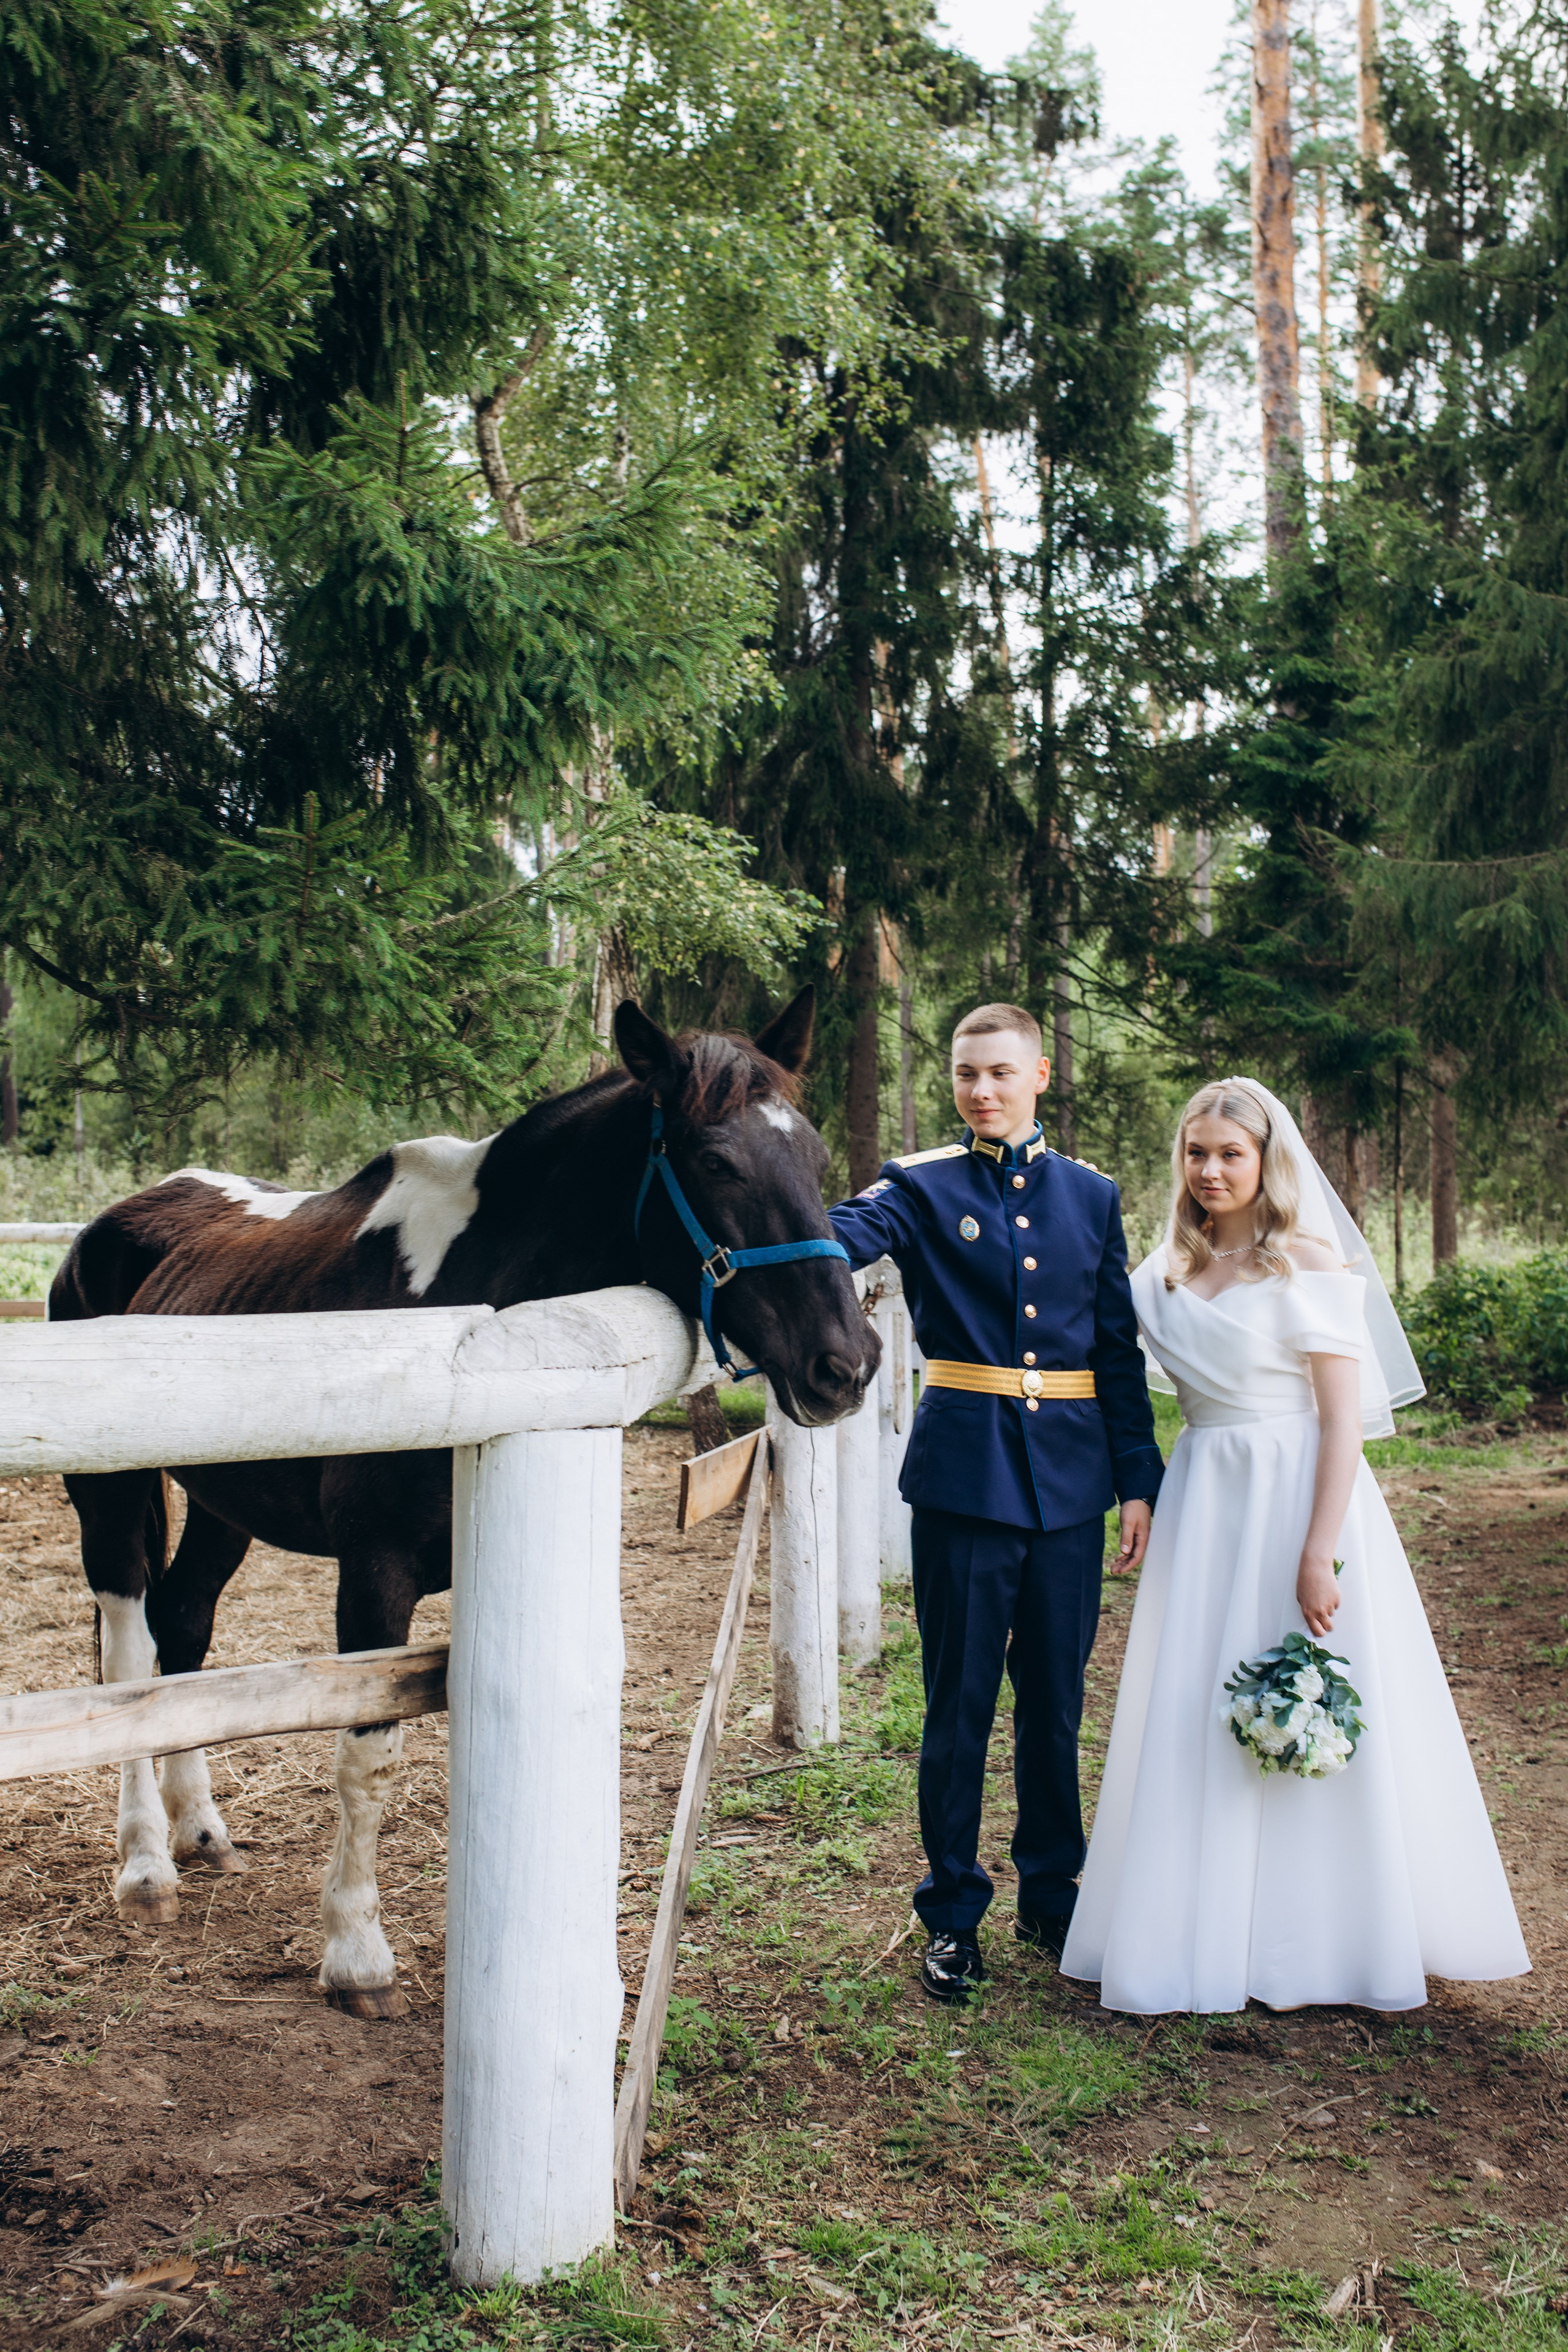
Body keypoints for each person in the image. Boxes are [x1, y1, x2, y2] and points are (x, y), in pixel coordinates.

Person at [1062, 1077, 1529, 2015]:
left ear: (1267, 1160)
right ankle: (1195, 1924)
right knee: (1205, 1692)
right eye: (1196, 1153)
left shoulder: (1306, 1262)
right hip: (1206, 1499)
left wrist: (1319, 1549)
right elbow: (1106, 1367)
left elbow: (1340, 1420)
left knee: (1314, 1683)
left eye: (1231, 1153)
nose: (1211, 1170)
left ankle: (1328, 1935)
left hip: (1303, 1492)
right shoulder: (1159, 1275)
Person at [828, 1005, 1164, 2003]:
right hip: (966, 1480)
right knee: (960, 1708)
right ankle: (953, 1912)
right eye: (967, 1074)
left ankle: (1054, 1895)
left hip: (1069, 1486)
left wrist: (1136, 1480)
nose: (983, 1090)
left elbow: (1115, 1348)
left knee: (1055, 1708)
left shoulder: (1093, 1198)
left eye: (1001, 1073)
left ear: (1041, 1075)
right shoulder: (920, 1185)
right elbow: (841, 1238)